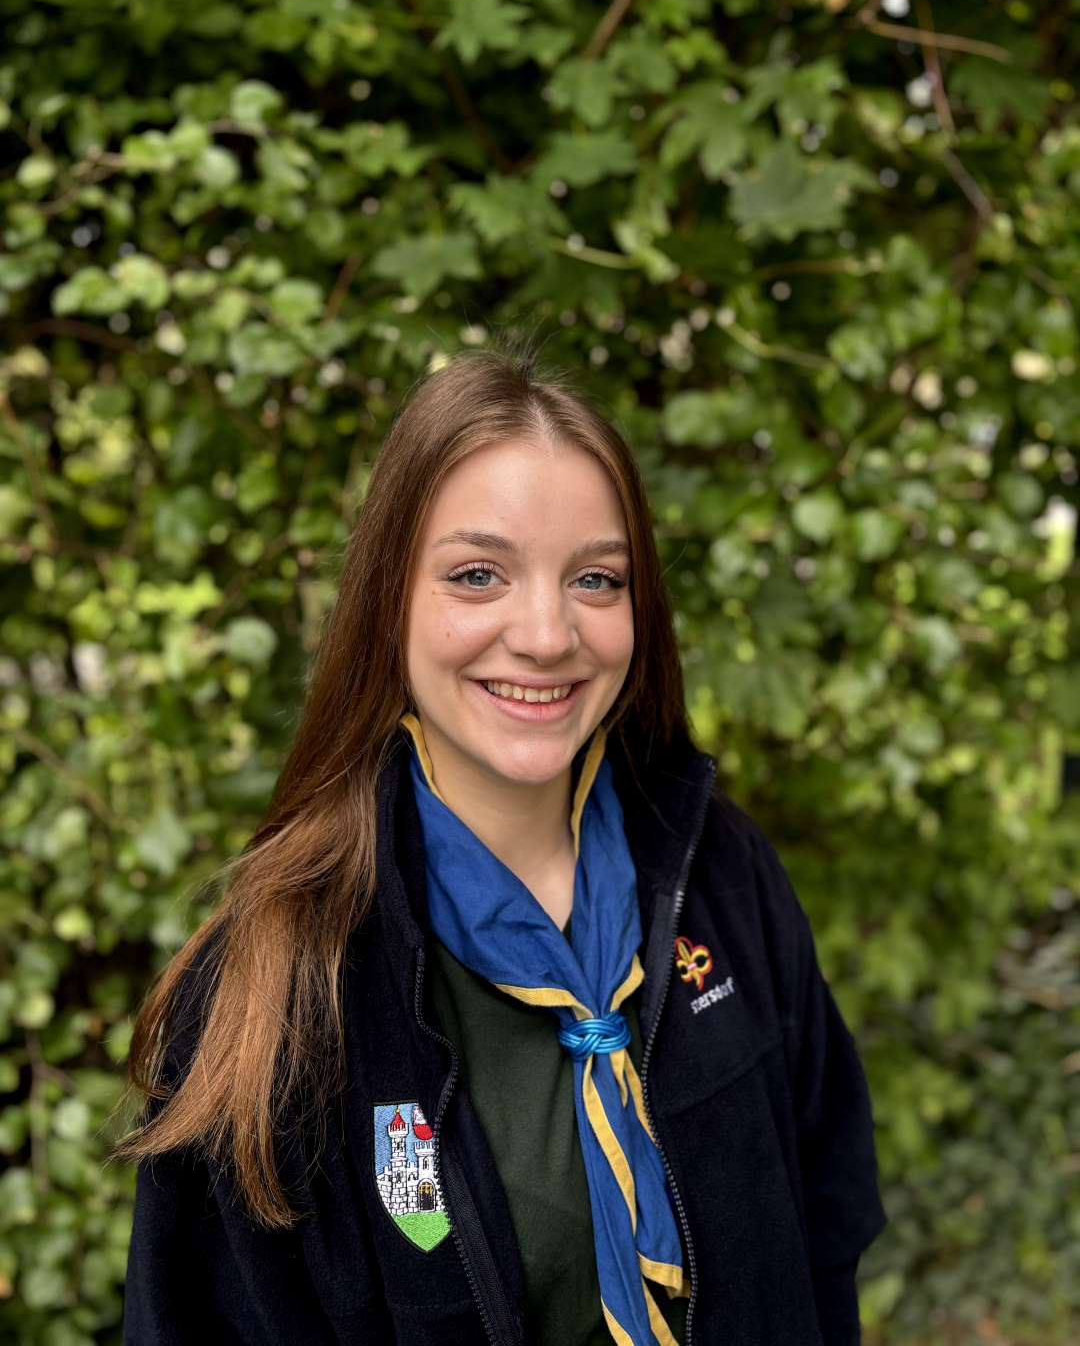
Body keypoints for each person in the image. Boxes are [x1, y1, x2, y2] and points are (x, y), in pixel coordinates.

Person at [121, 348, 884, 1346]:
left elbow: (828, 1222)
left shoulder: (721, 872)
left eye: (596, 579)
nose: (546, 634)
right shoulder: (272, 989)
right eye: (477, 575)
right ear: (388, 599)